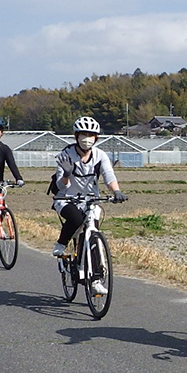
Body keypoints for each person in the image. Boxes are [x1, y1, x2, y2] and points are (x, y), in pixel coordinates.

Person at [50, 116, 127, 296]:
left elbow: (108, 175)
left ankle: (96, 279)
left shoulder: (100, 155)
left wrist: (116, 191)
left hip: (91, 200)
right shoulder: (66, 155)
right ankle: (61, 243)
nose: (87, 138)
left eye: (91, 135)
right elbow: (61, 186)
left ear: (96, 138)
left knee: (93, 235)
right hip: (66, 199)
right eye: (83, 134)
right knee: (76, 219)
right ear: (76, 136)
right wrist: (66, 175)